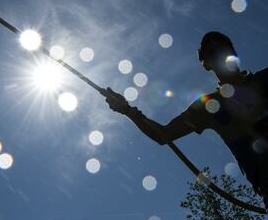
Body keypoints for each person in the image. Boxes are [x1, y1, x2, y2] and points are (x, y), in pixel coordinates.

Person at [104, 31, 268, 208]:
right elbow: (164, 135)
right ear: (206, 64)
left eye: (223, 48)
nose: (219, 54)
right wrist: (128, 110)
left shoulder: (265, 79)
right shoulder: (209, 106)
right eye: (212, 52)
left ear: (234, 54)